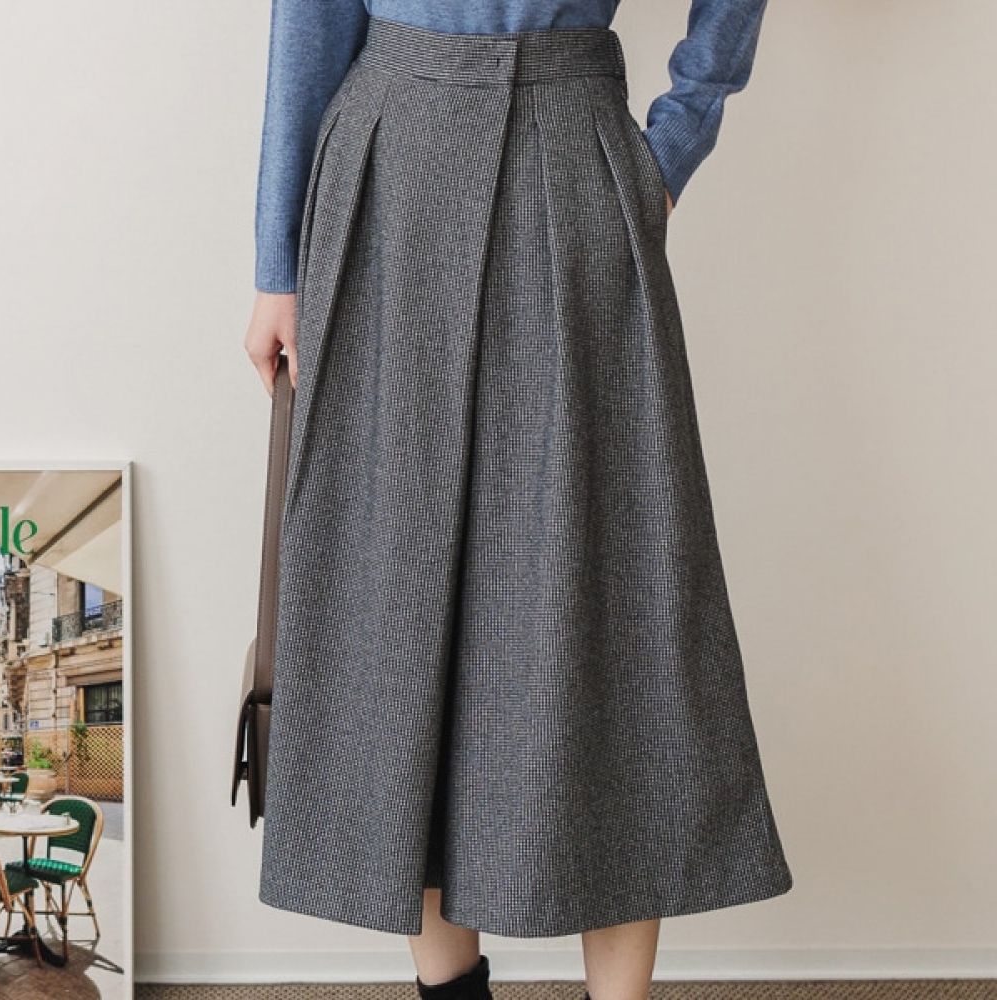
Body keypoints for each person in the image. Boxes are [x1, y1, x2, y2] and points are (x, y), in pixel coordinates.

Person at [243, 3, 793, 999]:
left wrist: (675, 140)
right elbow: (309, 21)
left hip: (572, 148)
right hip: (388, 167)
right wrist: (278, 268)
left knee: (611, 598)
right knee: (396, 605)